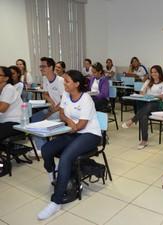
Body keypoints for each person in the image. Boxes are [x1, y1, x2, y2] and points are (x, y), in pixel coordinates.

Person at [37, 70, 102, 220]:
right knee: (47, 149)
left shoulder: (86, 99)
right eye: (64, 80)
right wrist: (70, 121)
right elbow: (62, 114)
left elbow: (82, 125)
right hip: (73, 131)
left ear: (77, 84)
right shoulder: (66, 95)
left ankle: (56, 201)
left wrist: (72, 124)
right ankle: (53, 176)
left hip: (90, 134)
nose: (64, 83)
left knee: (66, 157)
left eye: (67, 81)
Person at [122, 65, 163, 149]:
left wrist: (153, 97)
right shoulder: (148, 81)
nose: (153, 74)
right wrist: (144, 92)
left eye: (155, 72)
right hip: (147, 104)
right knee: (143, 116)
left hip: (158, 105)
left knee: (150, 105)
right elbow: (141, 92)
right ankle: (144, 140)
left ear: (159, 73)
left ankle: (132, 120)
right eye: (152, 72)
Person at [31, 57, 64, 156]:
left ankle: (45, 148)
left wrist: (53, 109)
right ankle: (42, 147)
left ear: (51, 67)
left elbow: (64, 100)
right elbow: (45, 94)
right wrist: (52, 102)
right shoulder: (45, 78)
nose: (41, 68)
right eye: (40, 66)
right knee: (34, 118)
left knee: (45, 120)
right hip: (53, 108)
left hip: (62, 109)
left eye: (43, 66)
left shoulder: (60, 80)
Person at [0, 66, 23, 142]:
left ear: (6, 78)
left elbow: (2, 108)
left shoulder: (9, 88)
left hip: (15, 123)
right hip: (4, 121)